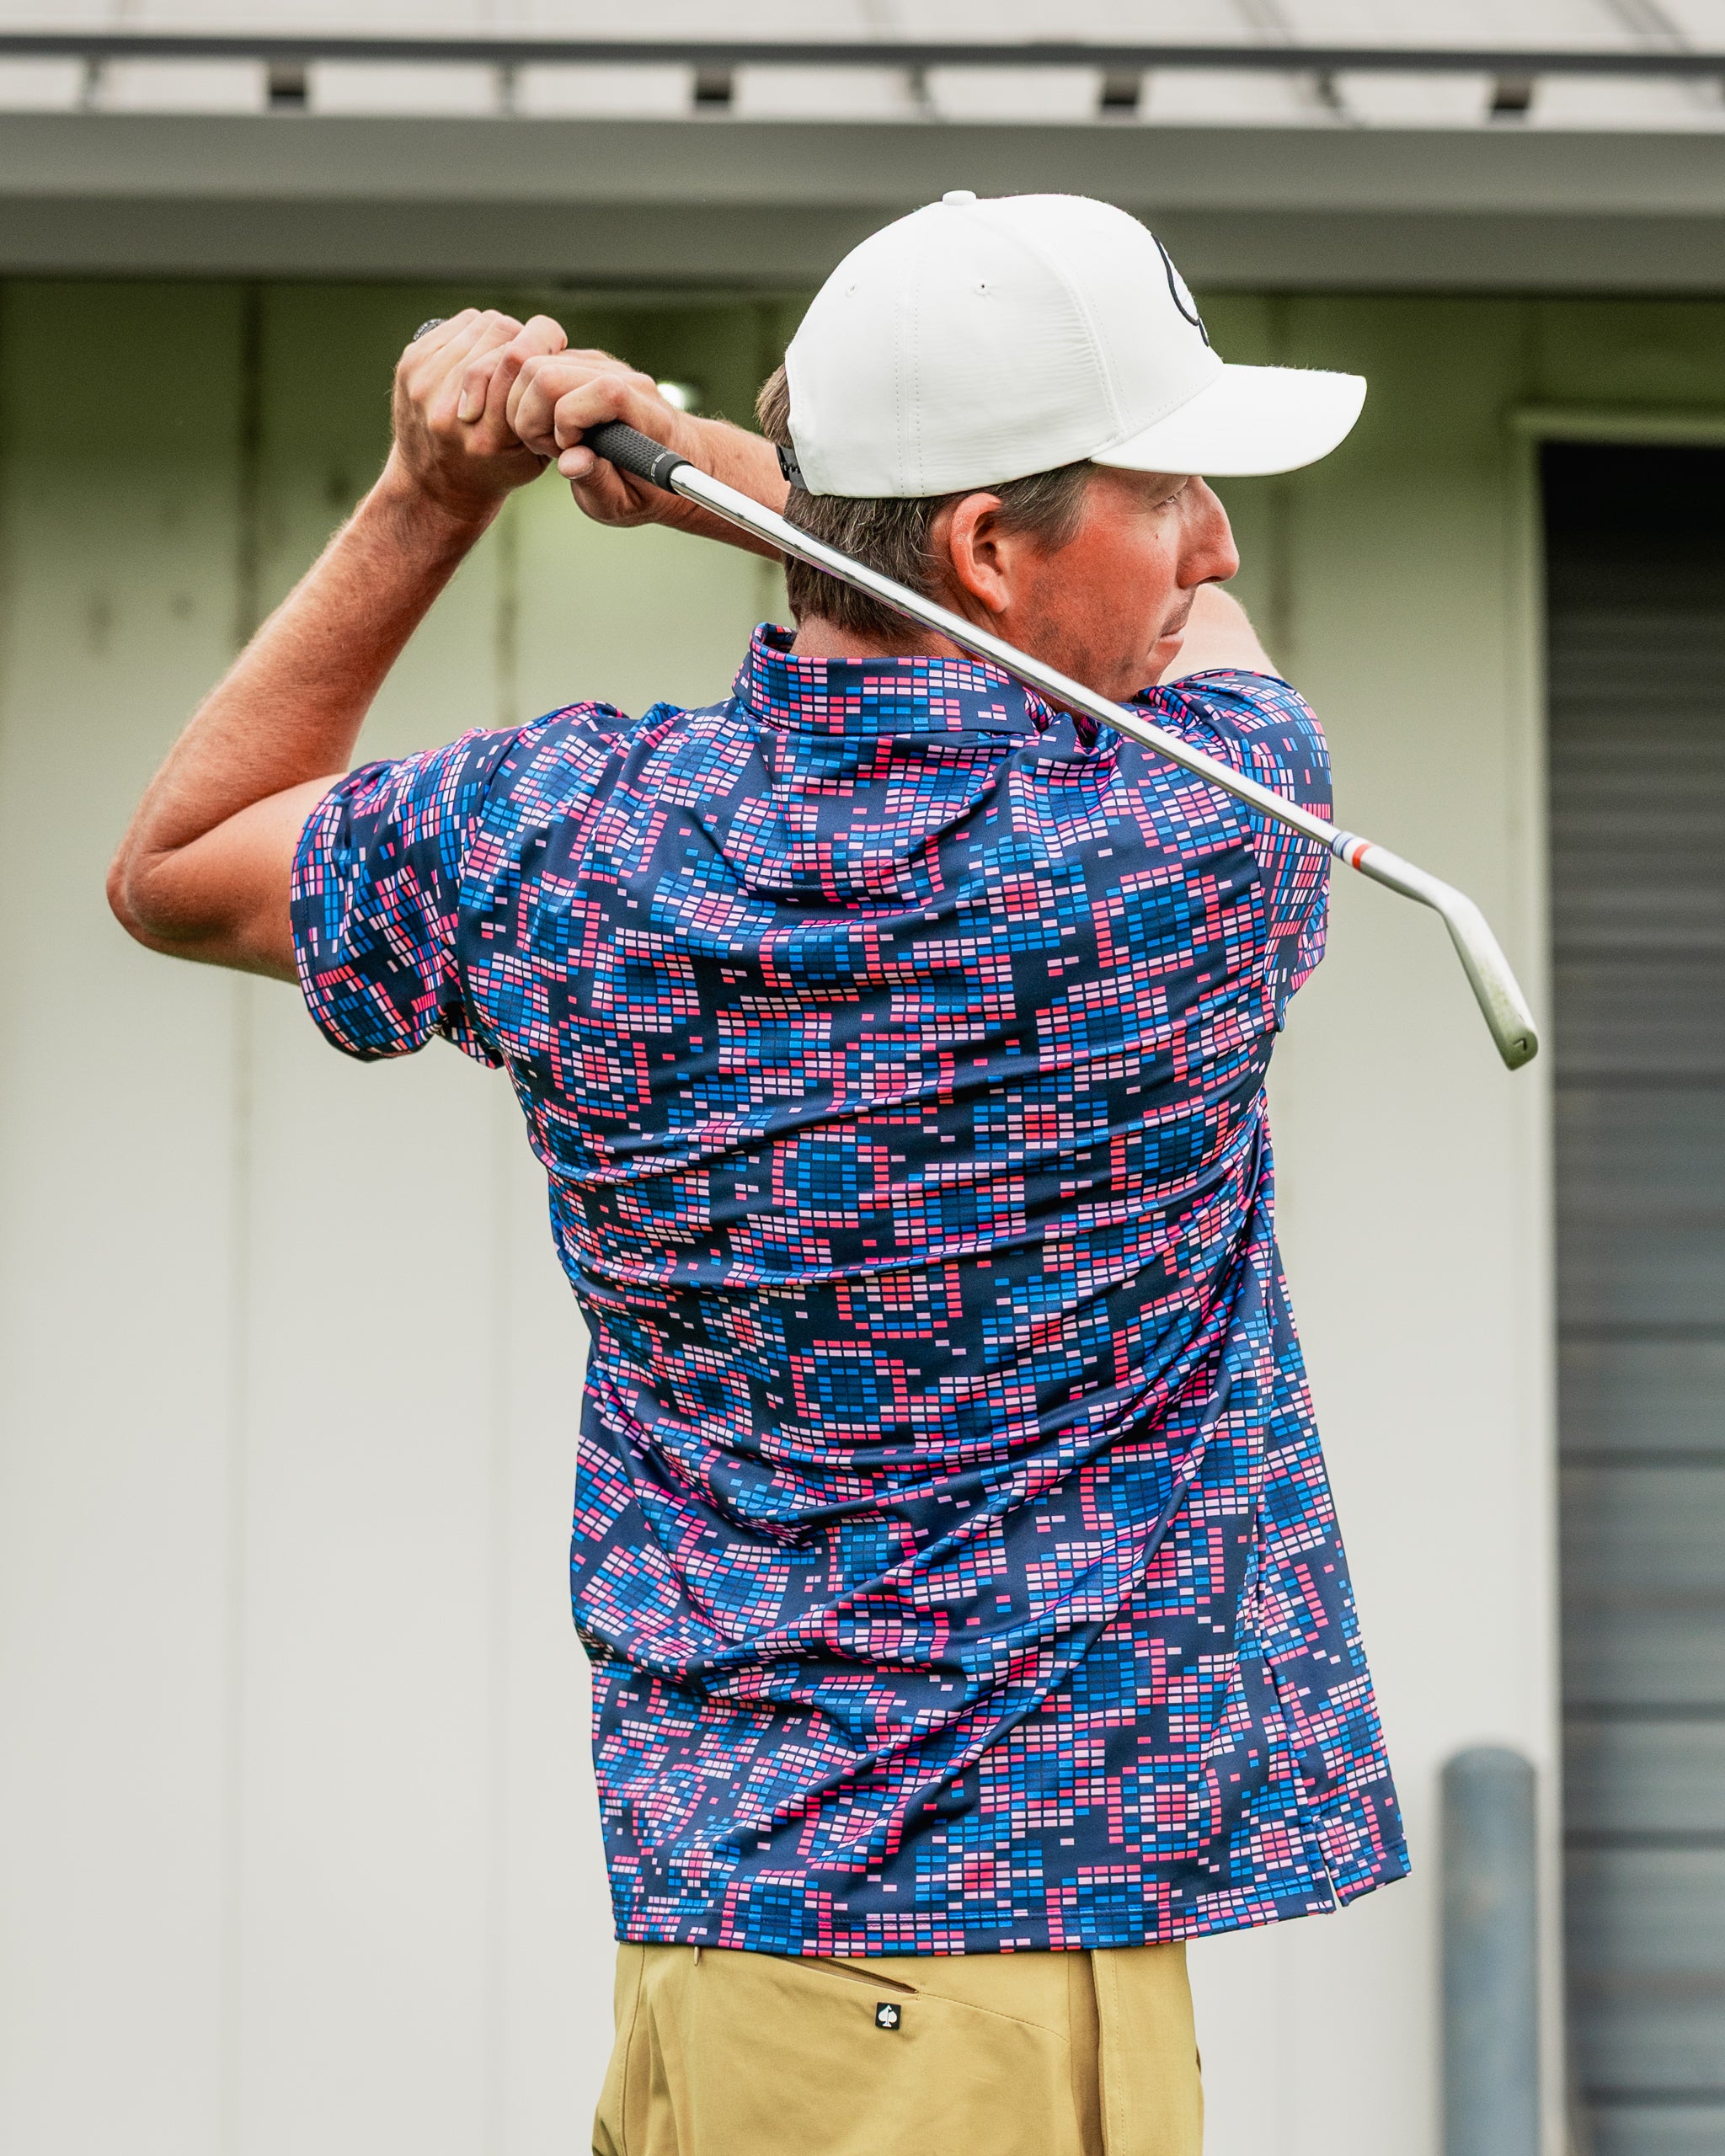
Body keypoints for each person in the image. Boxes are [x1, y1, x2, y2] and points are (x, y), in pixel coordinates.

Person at [109, 192, 1406, 2156]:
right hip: (988, 1981)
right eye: (1171, 490)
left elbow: (180, 863)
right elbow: (1206, 642)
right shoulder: (1203, 830)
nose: (1213, 543)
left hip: (732, 1943)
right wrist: (714, 467)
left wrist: (427, 498)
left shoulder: (567, 837)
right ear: (988, 544)